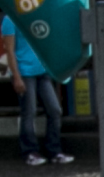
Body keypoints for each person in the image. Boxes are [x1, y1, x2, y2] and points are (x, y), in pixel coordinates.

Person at [10, 18, 71, 167]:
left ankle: (54, 150)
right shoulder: (9, 20)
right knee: (29, 111)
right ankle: (30, 152)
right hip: (25, 72)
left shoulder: (36, 17)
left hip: (42, 71)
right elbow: (9, 50)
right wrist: (16, 77)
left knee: (55, 110)